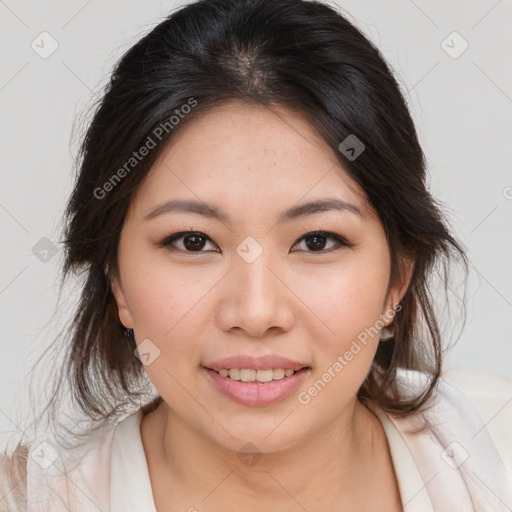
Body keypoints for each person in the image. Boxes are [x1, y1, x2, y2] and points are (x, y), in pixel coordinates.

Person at [1, 0, 511, 510]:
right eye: (193, 241)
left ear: (398, 278)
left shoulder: (496, 449)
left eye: (317, 241)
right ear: (116, 279)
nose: (256, 312)